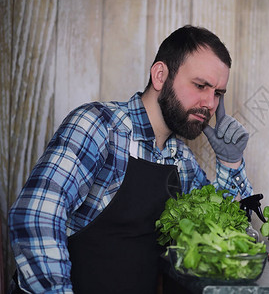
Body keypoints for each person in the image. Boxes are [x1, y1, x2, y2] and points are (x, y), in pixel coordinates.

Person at [8, 25, 253, 293]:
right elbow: (35, 216)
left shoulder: (181, 160)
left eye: (218, 93)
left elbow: (222, 232)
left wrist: (231, 163)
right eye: (200, 85)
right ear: (160, 76)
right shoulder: (98, 126)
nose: (209, 103)